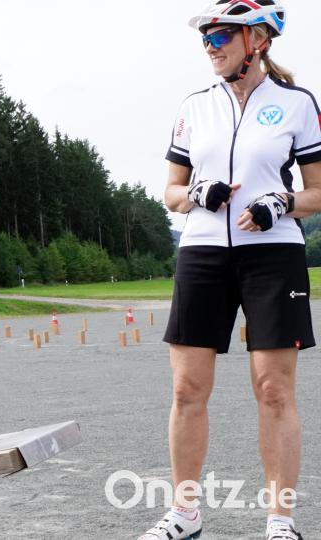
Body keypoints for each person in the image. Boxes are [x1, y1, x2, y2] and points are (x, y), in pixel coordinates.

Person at [139, 1, 321, 539]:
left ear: (257, 41)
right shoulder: (194, 106)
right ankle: (185, 514)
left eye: (221, 35)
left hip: (273, 255)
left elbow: (318, 191)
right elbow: (170, 191)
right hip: (201, 252)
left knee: (273, 390)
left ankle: (280, 522)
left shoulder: (296, 104)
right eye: (207, 39)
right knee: (187, 390)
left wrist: (282, 203)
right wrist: (195, 192)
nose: (211, 46)